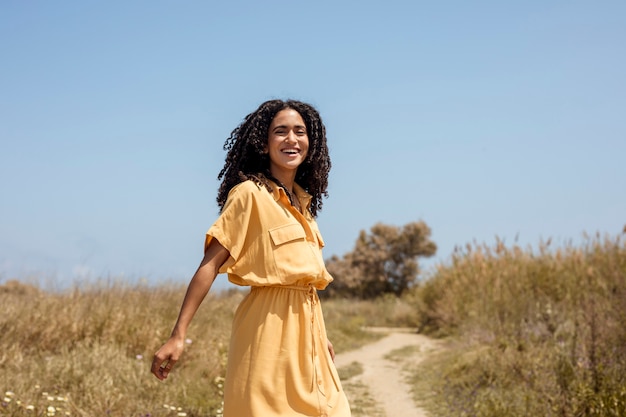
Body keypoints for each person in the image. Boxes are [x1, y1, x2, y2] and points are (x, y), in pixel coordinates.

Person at [151, 99, 351, 417]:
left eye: (299, 131)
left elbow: (303, 280)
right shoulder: (249, 195)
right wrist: (178, 335)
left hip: (309, 332)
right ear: (264, 142)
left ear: (310, 142)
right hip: (267, 329)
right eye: (280, 131)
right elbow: (210, 265)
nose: (291, 139)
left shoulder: (304, 204)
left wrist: (320, 336)